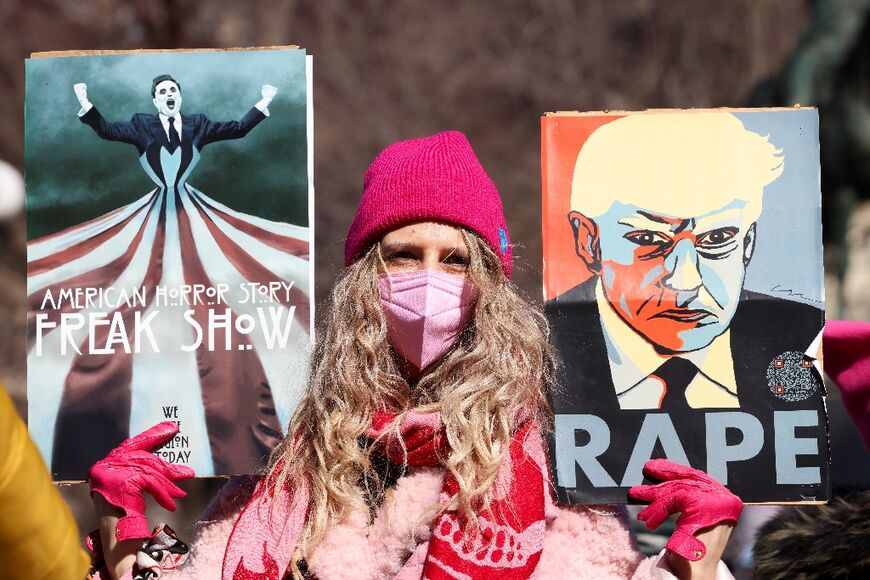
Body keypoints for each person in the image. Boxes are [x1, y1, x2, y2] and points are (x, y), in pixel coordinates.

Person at [87, 131, 741, 580]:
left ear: (490, 288)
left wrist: (700, 556)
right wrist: (124, 530)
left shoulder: (553, 455)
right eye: (403, 255)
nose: (429, 281)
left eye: (454, 260)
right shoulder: (288, 458)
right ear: (363, 284)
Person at [26, 74, 310, 480]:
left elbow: (236, 129)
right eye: (162, 92)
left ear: (179, 96)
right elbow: (108, 131)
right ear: (155, 100)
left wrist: (262, 103)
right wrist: (87, 106)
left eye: (173, 90)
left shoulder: (197, 125)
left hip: (193, 207)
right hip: (155, 208)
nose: (169, 96)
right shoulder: (142, 126)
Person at [547, 111, 824, 411]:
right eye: (649, 240)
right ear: (590, 242)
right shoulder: (539, 357)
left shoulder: (802, 339)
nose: (685, 281)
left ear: (748, 243)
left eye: (717, 239)